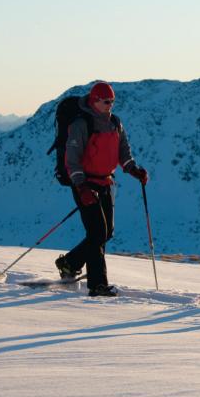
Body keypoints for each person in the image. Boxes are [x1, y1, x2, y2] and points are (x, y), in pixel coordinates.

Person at [55, 81, 148, 297]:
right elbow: (72, 160)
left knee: (106, 232)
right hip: (85, 184)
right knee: (97, 233)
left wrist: (133, 169)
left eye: (112, 101)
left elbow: (123, 152)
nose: (110, 105)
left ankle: (69, 262)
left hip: (106, 183)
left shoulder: (115, 123)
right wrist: (81, 187)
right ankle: (97, 285)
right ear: (94, 100)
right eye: (106, 101)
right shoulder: (81, 124)